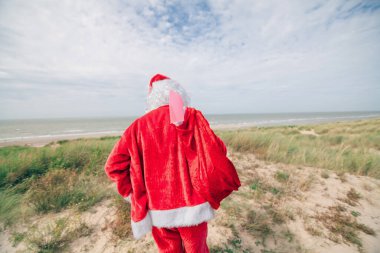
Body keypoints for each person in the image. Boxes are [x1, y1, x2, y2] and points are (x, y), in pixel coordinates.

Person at [104, 74, 241, 253]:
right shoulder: (190, 118)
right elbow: (217, 149)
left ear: (152, 98)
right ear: (178, 94)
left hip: (157, 209)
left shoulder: (137, 127)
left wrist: (132, 194)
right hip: (193, 208)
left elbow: (113, 166)